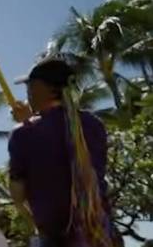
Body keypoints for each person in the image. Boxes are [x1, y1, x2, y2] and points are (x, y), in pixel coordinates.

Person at [9, 55, 113, 247]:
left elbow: (18, 194)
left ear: (43, 88)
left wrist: (27, 125)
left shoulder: (23, 134)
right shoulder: (94, 125)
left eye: (30, 87)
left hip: (56, 236)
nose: (28, 93)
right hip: (98, 233)